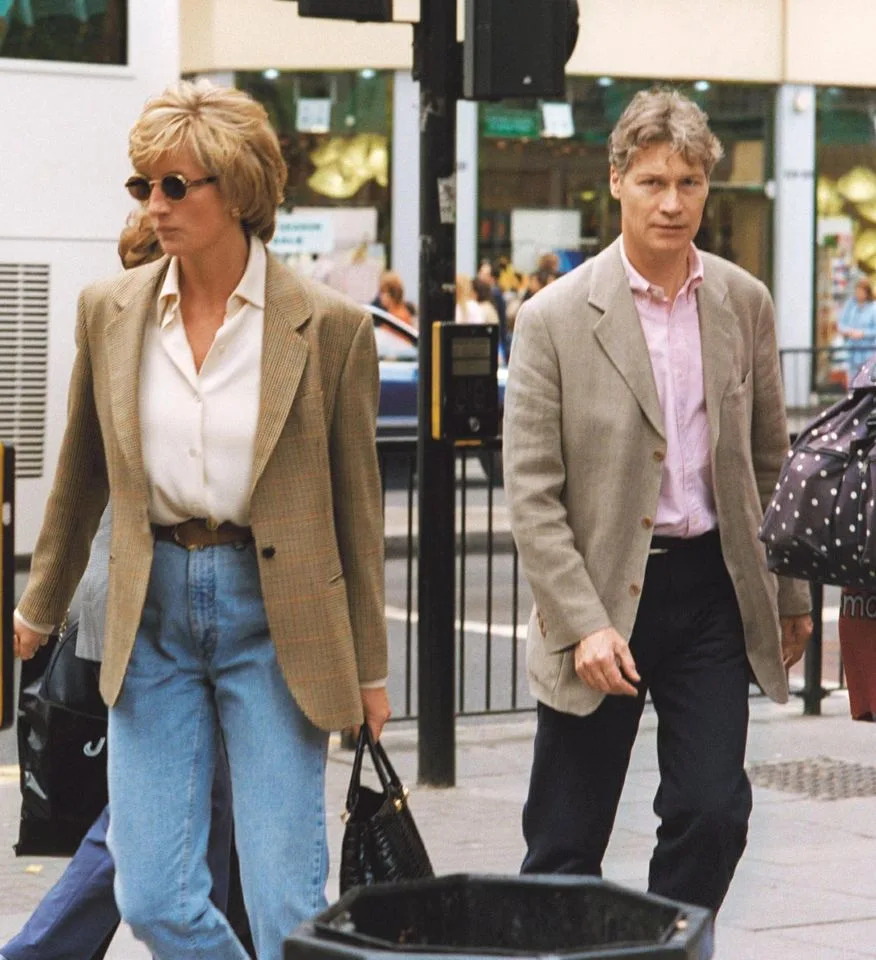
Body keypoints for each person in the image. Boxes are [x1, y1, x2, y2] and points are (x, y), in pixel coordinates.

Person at [13, 79, 390, 960]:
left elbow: (357, 515)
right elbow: (80, 477)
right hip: (153, 615)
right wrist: (39, 604)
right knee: (151, 893)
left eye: (176, 186)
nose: (156, 204)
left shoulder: (328, 327)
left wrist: (370, 673)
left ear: (240, 191)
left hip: (277, 619)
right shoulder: (111, 312)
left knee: (284, 899)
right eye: (144, 185)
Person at [503, 87, 812, 914]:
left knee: (713, 812)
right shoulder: (553, 319)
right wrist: (580, 621)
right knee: (566, 841)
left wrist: (786, 593)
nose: (672, 203)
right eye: (652, 182)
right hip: (602, 594)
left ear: (708, 186)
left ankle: (664, 944)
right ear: (616, 182)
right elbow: (531, 496)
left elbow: (768, 461)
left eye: (689, 182)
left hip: (711, 589)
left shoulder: (744, 302)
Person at [2, 212, 253, 960]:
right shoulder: (141, 350)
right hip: (141, 614)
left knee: (195, 812)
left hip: (148, 612)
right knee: (147, 823)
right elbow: (85, 491)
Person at [837, 276, 876, 378]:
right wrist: (848, 331)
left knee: (865, 381)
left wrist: (863, 333)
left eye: (861, 291)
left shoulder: (873, 308)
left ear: (867, 293)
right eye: (857, 291)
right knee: (852, 381)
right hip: (851, 352)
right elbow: (841, 324)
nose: (858, 294)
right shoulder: (850, 305)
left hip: (868, 352)